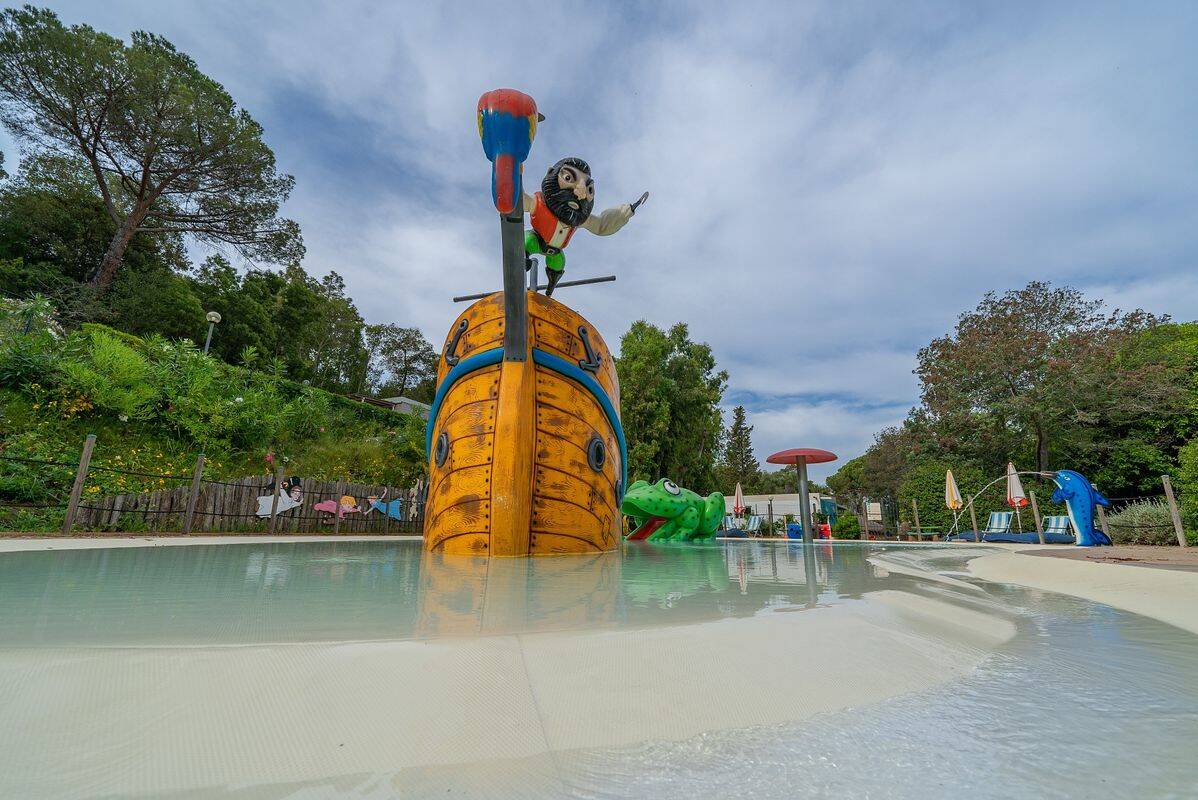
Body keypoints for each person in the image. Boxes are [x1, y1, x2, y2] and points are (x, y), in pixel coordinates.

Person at [522, 157, 644, 295]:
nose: (579, 193)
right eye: (568, 178)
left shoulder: (578, 219)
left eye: (589, 189)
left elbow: (601, 225)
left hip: (555, 251)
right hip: (536, 240)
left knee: (558, 264)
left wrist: (625, 211)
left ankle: (550, 288)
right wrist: (512, 174)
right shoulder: (538, 204)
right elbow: (520, 200)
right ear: (551, 173)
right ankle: (518, 266)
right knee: (525, 242)